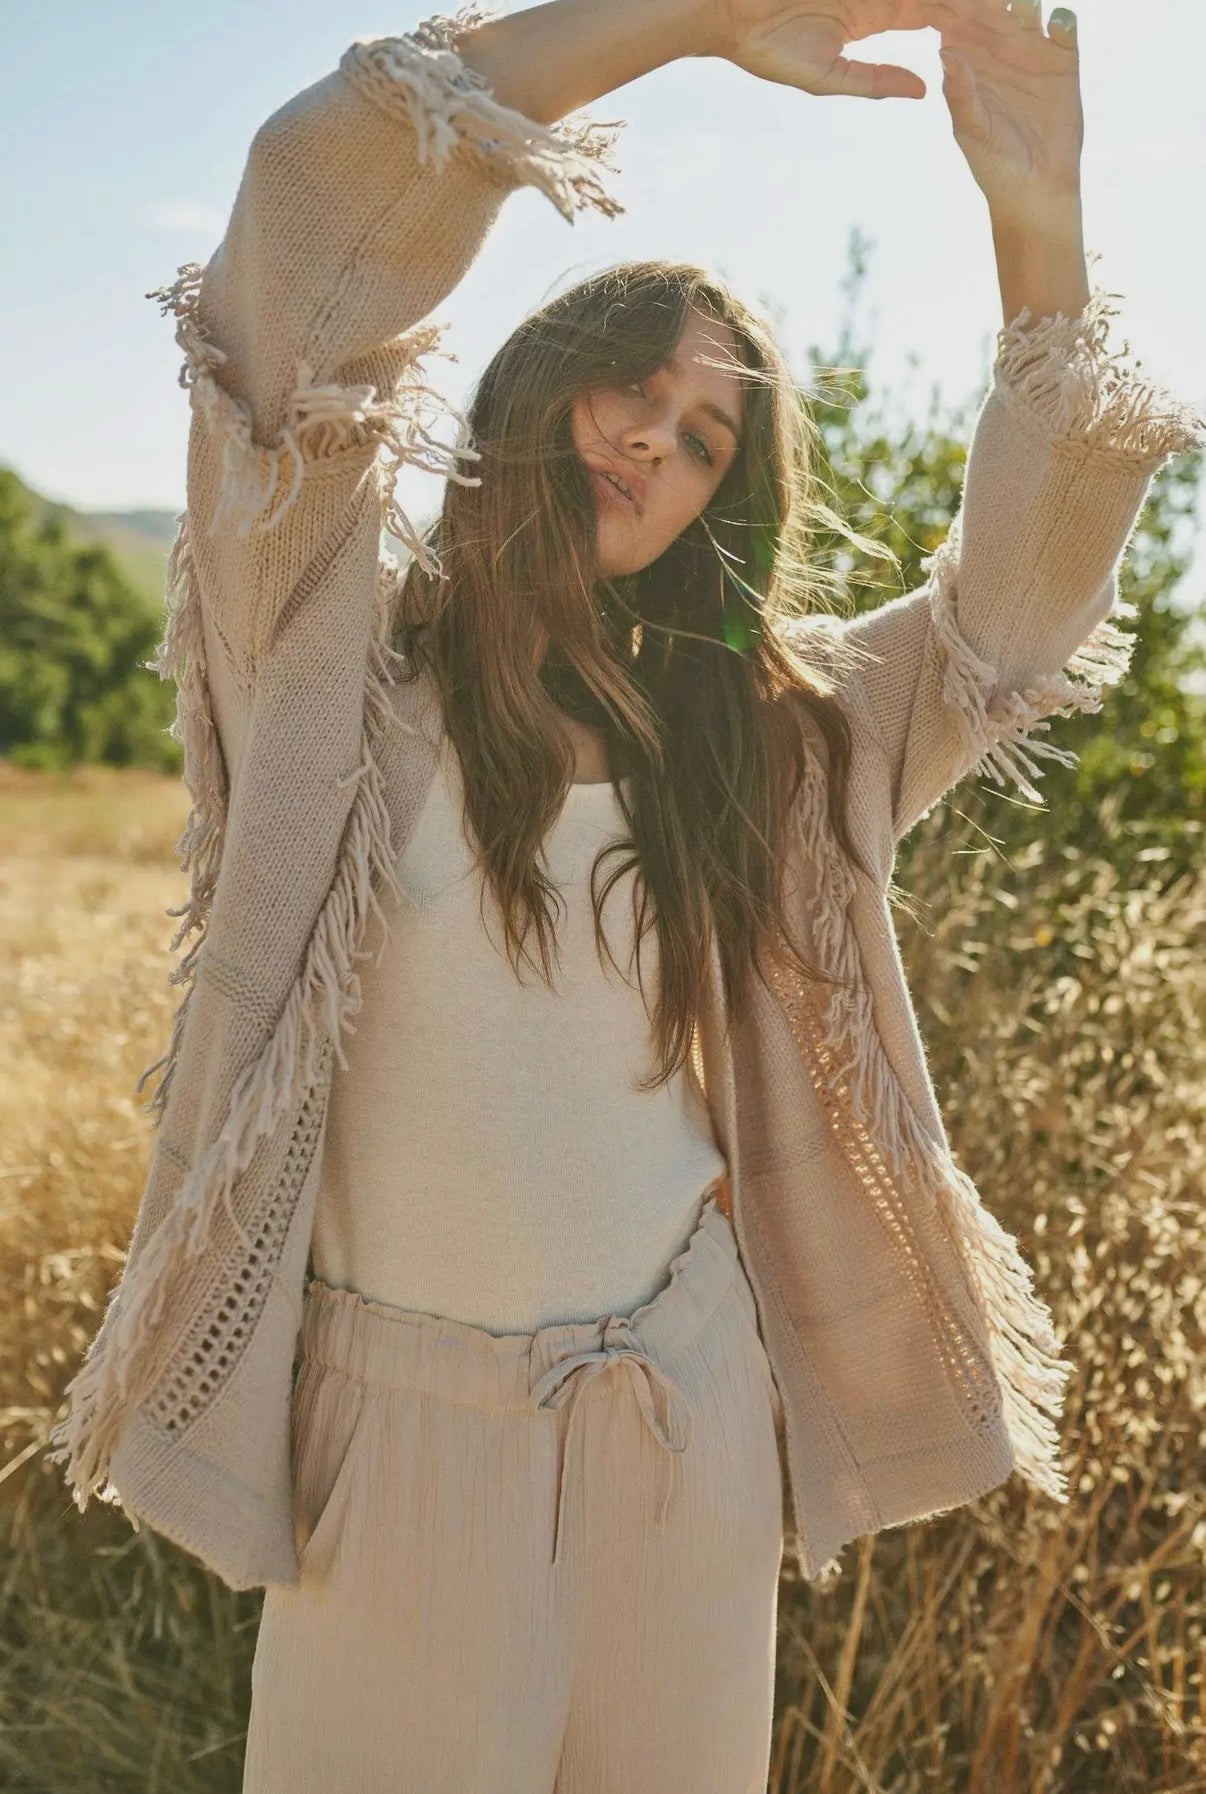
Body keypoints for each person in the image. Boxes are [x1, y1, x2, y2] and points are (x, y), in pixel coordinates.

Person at [44, 2, 1203, 1790]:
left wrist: (1031, 211)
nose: (653, 439)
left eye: (705, 440)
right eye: (630, 379)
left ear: (714, 513)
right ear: (537, 375)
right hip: (395, 1429)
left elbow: (1010, 622)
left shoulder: (772, 747)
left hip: (682, 1416)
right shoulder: (329, 674)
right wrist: (676, 22)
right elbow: (294, 251)